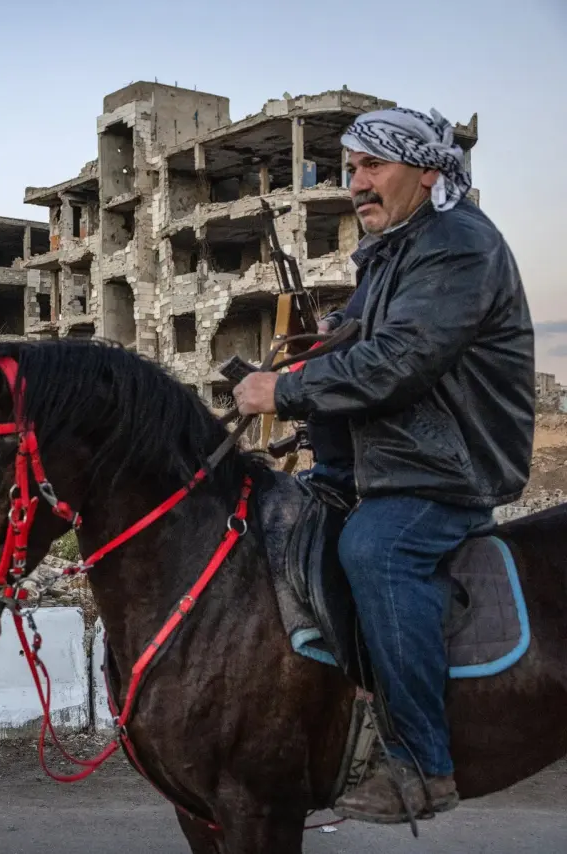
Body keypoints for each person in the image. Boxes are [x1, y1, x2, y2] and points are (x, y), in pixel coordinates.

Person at [233, 106, 536, 824]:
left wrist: (285, 389)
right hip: (381, 461)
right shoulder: (394, 248)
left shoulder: (458, 243)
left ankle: (422, 764)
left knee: (377, 550)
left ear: (427, 171)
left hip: (445, 466)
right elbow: (364, 341)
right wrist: (322, 343)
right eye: (351, 168)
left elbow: (400, 361)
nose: (356, 183)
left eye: (374, 166)